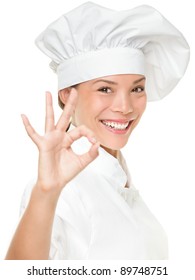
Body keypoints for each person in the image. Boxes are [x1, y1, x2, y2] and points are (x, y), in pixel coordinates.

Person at [5, 2, 190, 260]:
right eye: (105, 89)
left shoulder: (122, 187)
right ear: (68, 94)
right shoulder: (63, 189)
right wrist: (46, 192)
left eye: (137, 88)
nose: (125, 107)